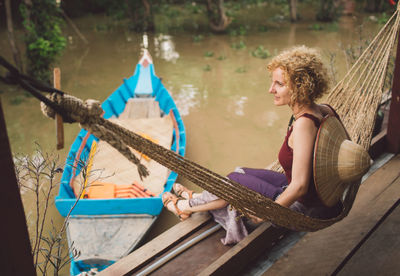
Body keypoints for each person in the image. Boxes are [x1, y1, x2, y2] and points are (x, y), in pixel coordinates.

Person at [162, 45, 342, 245]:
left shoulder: (303, 125)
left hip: (304, 208)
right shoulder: (326, 111)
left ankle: (185, 206)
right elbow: (344, 150)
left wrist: (267, 215)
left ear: (300, 87)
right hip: (319, 196)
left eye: (279, 84)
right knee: (240, 172)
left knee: (234, 181)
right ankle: (196, 197)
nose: (270, 89)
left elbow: (299, 187)